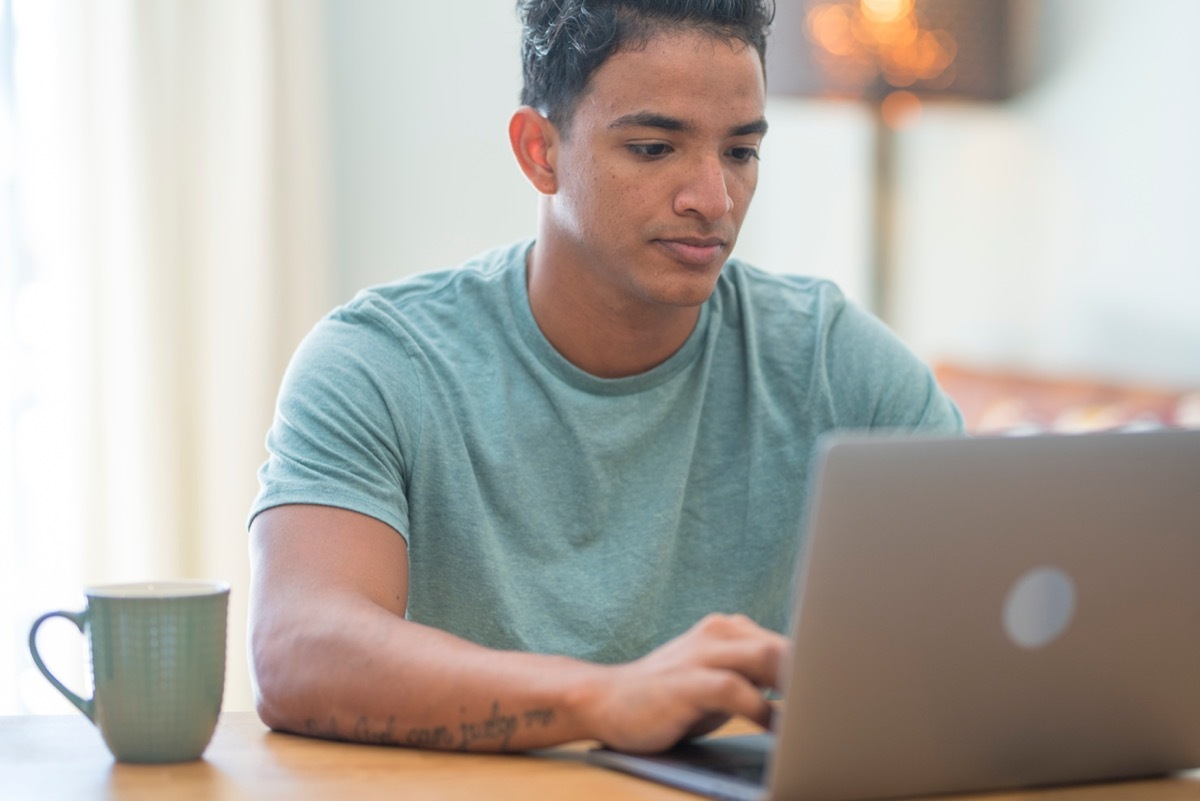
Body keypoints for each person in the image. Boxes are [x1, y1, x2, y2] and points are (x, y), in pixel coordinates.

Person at [247, 0, 963, 755]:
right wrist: (606, 698)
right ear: (539, 151)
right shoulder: (379, 363)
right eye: (655, 148)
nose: (712, 200)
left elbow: (991, 607)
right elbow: (298, 649)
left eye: (740, 152)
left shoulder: (831, 359)